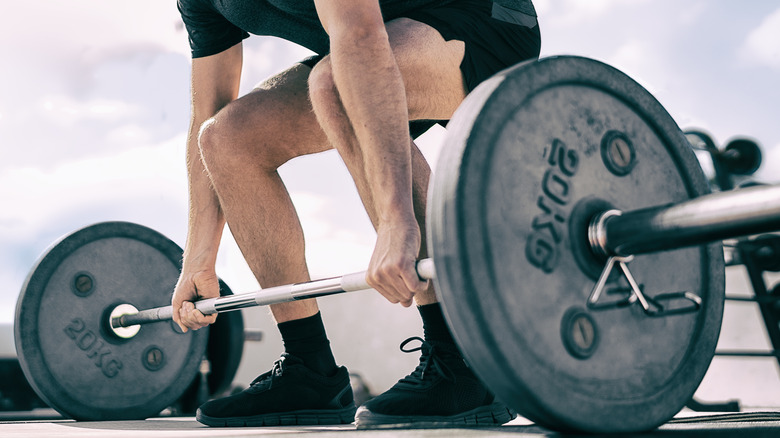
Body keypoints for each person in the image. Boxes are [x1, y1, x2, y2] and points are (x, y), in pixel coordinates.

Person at [171, 0, 541, 428]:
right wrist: (198, 259)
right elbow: (208, 108)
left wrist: (395, 219)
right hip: (371, 46)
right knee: (225, 136)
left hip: (486, 23)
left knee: (335, 85)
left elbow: (359, 36)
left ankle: (461, 361)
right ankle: (309, 370)